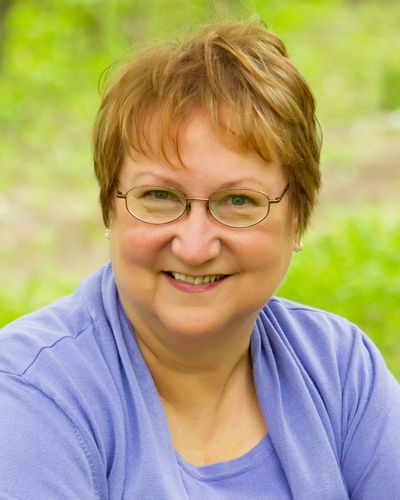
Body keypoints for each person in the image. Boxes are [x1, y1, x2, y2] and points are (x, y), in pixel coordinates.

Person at [0, 17, 399, 500]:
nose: (194, 245)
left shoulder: (339, 370)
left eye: (238, 202)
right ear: (110, 205)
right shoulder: (30, 392)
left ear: (298, 219)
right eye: (160, 195)